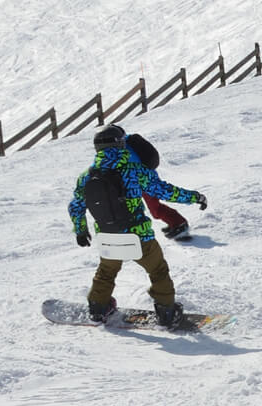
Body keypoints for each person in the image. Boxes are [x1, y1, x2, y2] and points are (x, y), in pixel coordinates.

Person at [69, 125, 207, 327]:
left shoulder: (86, 176)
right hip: (138, 237)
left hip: (108, 237)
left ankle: (98, 308)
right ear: (119, 144)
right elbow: (163, 191)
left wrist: (81, 231)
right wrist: (195, 197)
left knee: (106, 272)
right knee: (158, 270)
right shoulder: (133, 171)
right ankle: (167, 311)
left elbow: (76, 206)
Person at [126, 130, 192, 241]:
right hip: (142, 180)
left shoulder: (124, 148)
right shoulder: (127, 142)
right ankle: (175, 222)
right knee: (151, 209)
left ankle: (179, 223)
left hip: (144, 181)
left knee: (155, 210)